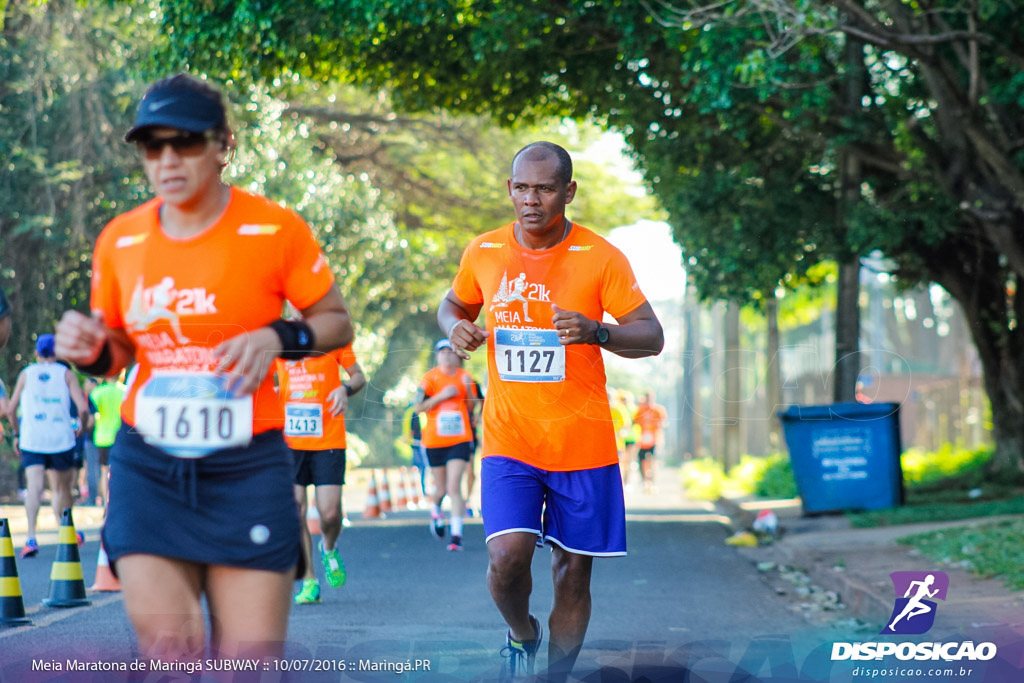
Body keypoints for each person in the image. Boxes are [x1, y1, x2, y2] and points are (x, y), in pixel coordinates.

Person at [54, 73, 353, 664]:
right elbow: (116, 355)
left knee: (247, 663)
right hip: (151, 466)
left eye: (185, 142)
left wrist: (279, 335)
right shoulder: (121, 240)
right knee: (172, 653)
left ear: (223, 145)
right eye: (151, 146)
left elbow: (337, 323)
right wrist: (90, 349)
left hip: (247, 465)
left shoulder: (274, 230)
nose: (167, 160)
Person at [438, 141, 664, 681]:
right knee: (507, 558)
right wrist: (456, 327)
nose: (531, 199)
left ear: (568, 191)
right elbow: (453, 304)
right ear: (509, 189)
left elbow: (652, 335)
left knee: (571, 577)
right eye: (521, 187)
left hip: (581, 444)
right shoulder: (485, 250)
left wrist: (598, 331)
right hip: (510, 440)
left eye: (543, 188)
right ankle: (523, 633)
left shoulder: (601, 257)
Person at [276, 342, 365, 605]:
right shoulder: (280, 341)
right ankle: (309, 580)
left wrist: (344, 389)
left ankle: (328, 547)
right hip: (290, 441)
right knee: (296, 507)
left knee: (330, 512)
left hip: (328, 439)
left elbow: (359, 376)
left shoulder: (334, 340)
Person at [6, 334, 92, 557]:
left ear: (36, 352)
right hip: (60, 439)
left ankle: (31, 537)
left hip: (32, 439)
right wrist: (81, 427)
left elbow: (10, 409)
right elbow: (83, 409)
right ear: (57, 353)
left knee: (34, 488)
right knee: (62, 490)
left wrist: (17, 433)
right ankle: (65, 533)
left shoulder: (26, 374)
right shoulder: (66, 374)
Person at [413, 338, 480, 552]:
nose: (447, 355)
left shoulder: (465, 377)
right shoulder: (429, 379)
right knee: (441, 488)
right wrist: (442, 396)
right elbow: (418, 408)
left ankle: (456, 536)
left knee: (454, 486)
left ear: (457, 355)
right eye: (442, 352)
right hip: (434, 441)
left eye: (451, 351)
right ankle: (436, 510)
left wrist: (470, 398)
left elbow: (475, 406)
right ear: (437, 356)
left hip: (459, 439)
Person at [88, 373, 125, 507]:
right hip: (120, 437)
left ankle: (106, 503)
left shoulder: (98, 392)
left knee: (105, 472)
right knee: (119, 471)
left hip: (102, 437)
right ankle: (118, 502)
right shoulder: (125, 391)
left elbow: (90, 413)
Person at [633, 391, 668, 493]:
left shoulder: (658, 410)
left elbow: (663, 423)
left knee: (653, 460)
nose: (649, 401)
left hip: (655, 439)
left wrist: (658, 430)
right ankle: (645, 481)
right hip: (643, 440)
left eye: (650, 399)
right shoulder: (641, 410)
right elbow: (635, 421)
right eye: (647, 399)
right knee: (643, 460)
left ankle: (653, 482)